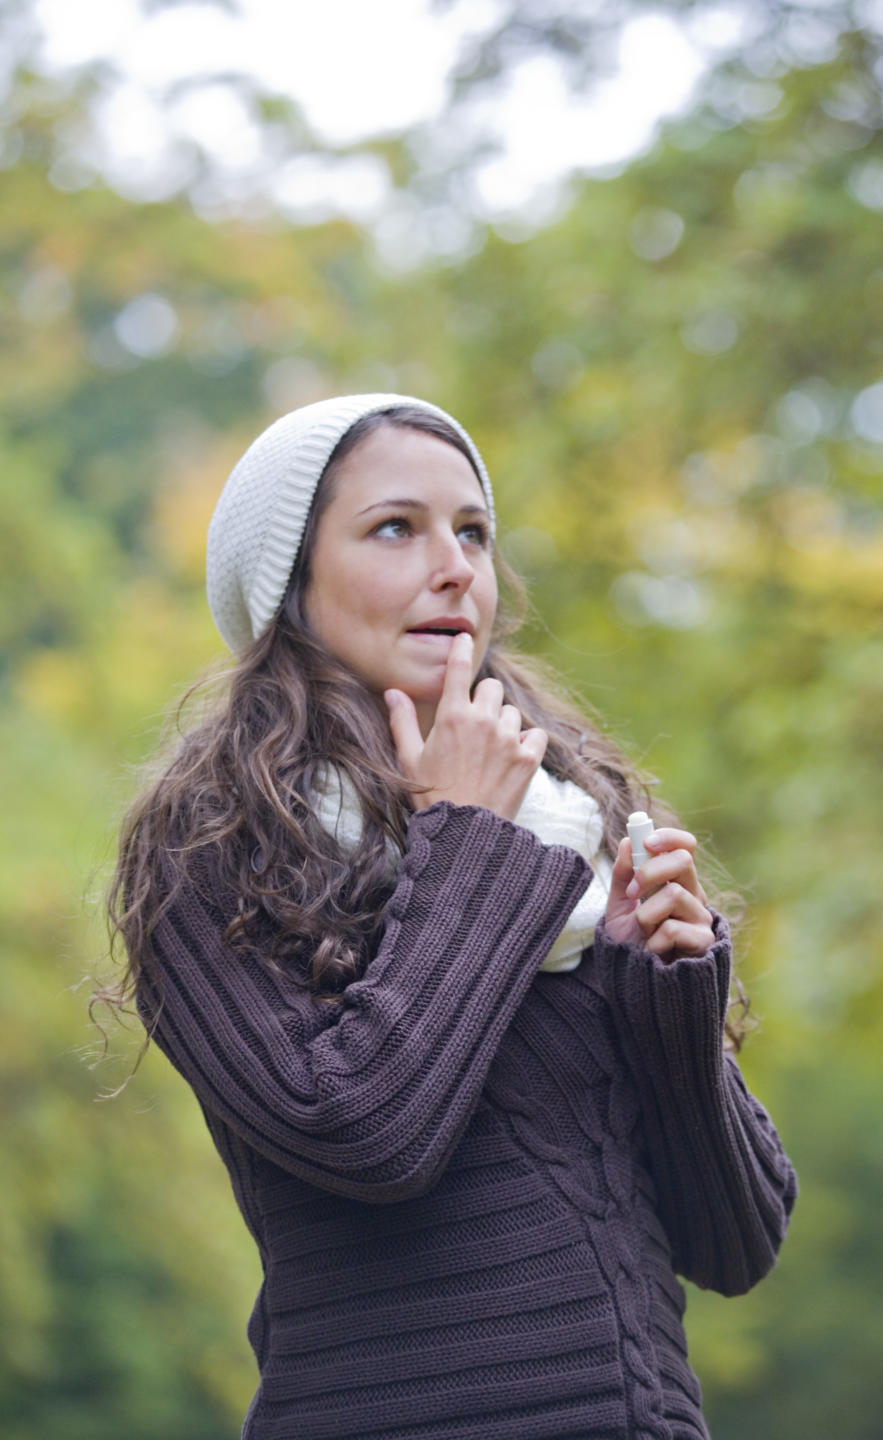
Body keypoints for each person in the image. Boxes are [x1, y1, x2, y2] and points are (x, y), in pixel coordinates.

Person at [107, 393, 797, 1440]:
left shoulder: (576, 830)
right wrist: (470, 842)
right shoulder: (210, 848)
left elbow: (735, 1242)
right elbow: (366, 1137)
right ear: (289, 580)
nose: (456, 567)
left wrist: (667, 990)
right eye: (397, 528)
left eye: (472, 531)